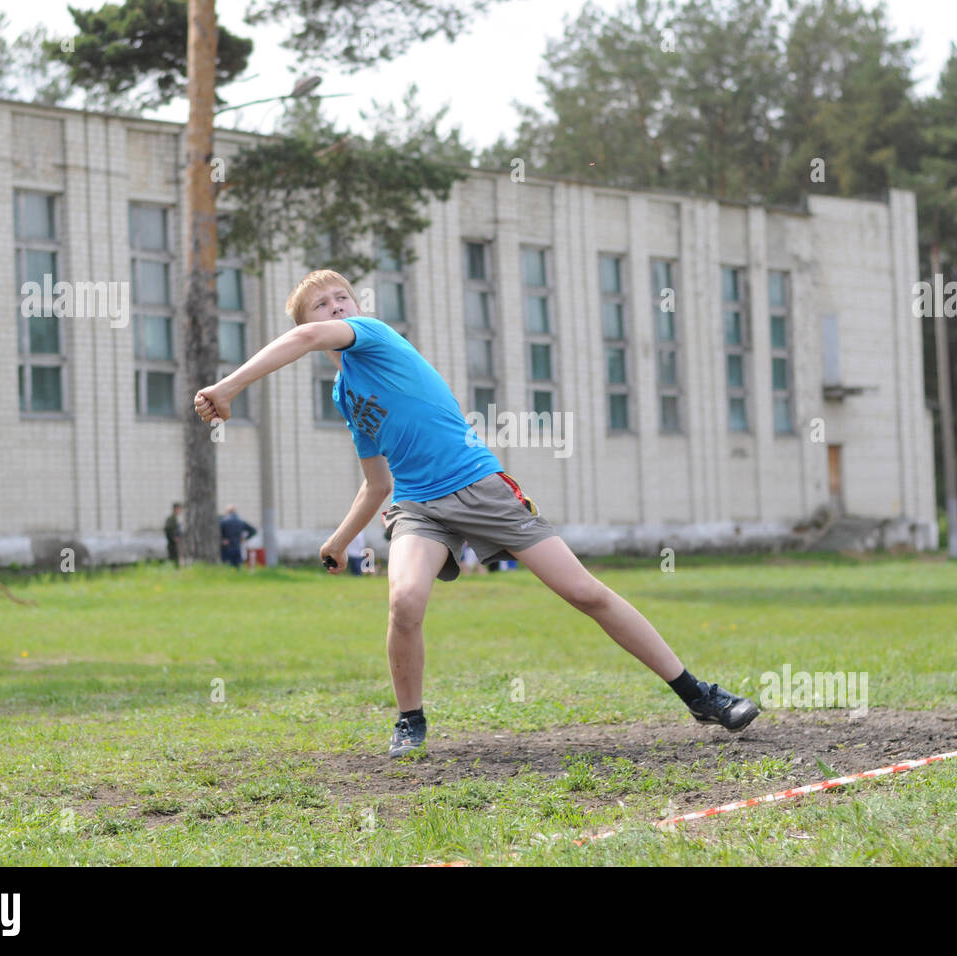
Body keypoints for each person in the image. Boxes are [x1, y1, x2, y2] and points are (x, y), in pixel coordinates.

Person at [194, 269, 758, 756]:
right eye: (323, 302)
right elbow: (375, 484)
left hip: (480, 487)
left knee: (585, 593)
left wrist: (227, 386)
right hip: (417, 505)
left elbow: (312, 335)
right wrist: (340, 542)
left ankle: (699, 695)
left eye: (343, 296)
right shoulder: (347, 392)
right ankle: (409, 720)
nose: (337, 305)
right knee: (404, 601)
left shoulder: (372, 334)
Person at [219, 505, 257, 569]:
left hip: (227, 546)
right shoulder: (240, 521)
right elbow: (253, 531)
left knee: (227, 564)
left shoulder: (223, 521)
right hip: (238, 545)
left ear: (227, 512)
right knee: (237, 565)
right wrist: (245, 538)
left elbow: (218, 533)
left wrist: (222, 539)